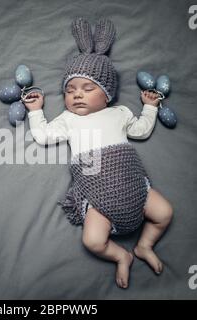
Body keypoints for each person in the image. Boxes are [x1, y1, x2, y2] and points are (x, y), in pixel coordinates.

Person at [23, 17, 173, 289]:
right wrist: (36, 112)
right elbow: (44, 136)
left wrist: (150, 108)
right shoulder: (68, 119)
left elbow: (141, 130)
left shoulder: (119, 113)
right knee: (92, 240)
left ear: (107, 94)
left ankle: (144, 246)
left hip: (134, 186)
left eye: (87, 88)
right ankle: (121, 256)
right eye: (70, 90)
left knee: (164, 213)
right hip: (97, 193)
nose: (77, 95)